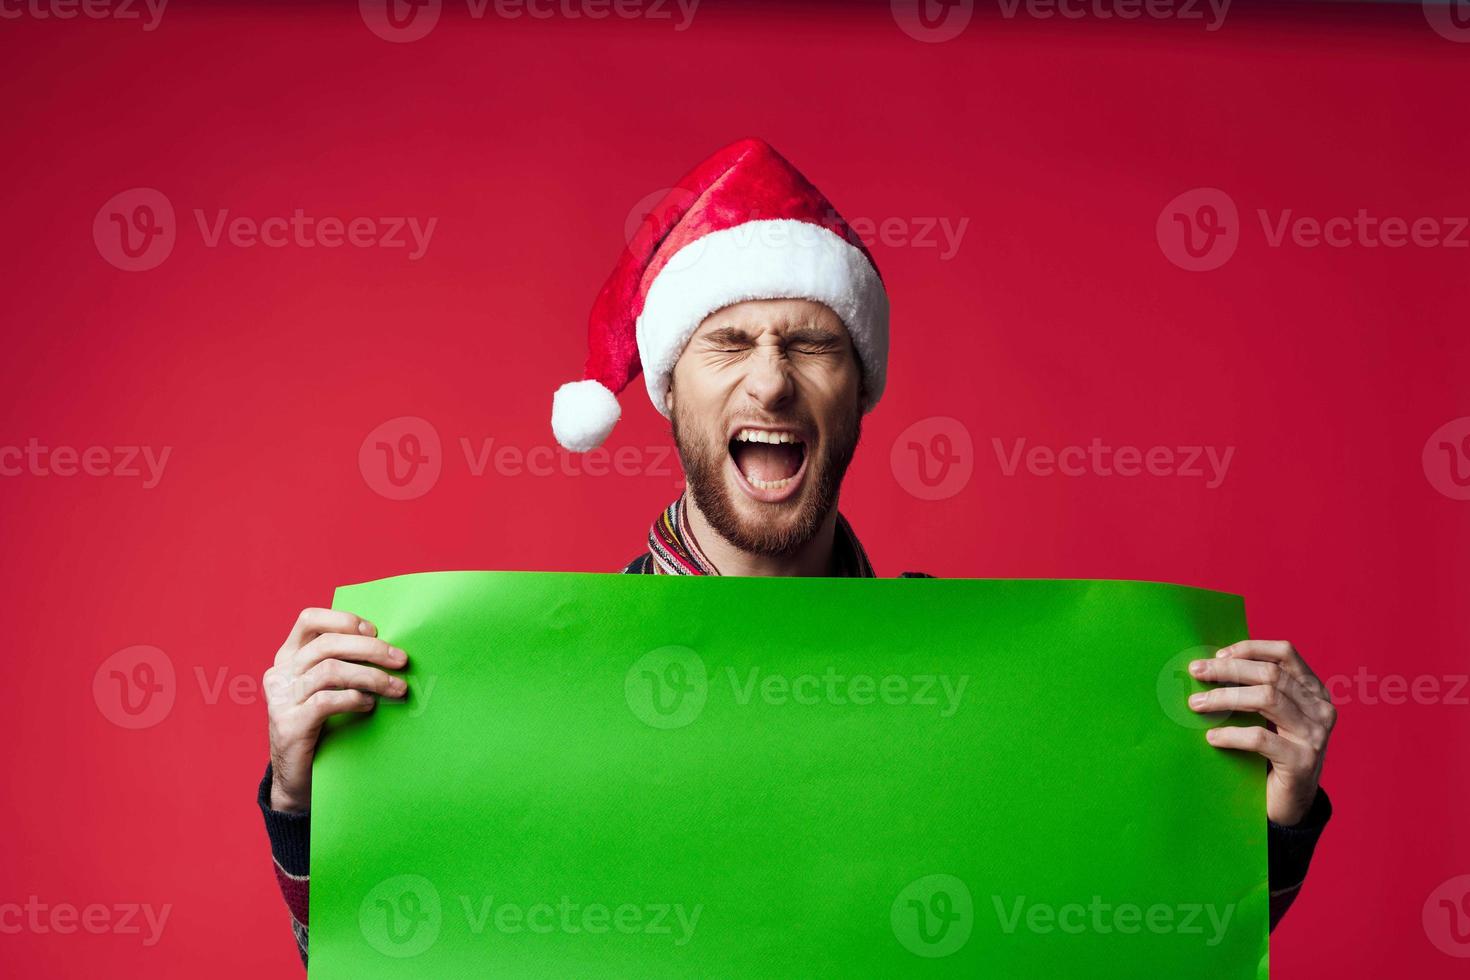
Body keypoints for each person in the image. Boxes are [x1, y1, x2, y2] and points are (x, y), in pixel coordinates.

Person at [257, 138, 1334, 965]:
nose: (769, 381)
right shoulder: (499, 687)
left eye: (810, 341)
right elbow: (411, 953)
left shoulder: (988, 692)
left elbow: (1122, 945)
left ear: (857, 391)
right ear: (670, 388)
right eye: (728, 342)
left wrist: (1267, 824)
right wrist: (314, 802)